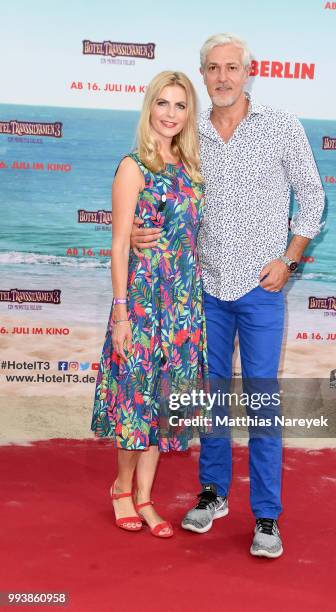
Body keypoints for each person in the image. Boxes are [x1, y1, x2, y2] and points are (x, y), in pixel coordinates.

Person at [131, 33, 325, 557]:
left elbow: (312, 198)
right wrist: (131, 231)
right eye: (212, 68)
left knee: (262, 405)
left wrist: (289, 260)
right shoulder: (189, 134)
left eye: (231, 68)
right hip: (204, 292)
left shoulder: (281, 126)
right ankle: (212, 494)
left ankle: (266, 517)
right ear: (203, 73)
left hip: (261, 290)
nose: (222, 77)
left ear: (248, 72)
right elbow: (155, 191)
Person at [91, 70, 209, 538]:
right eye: (163, 103)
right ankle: (121, 490)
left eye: (180, 106)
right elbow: (120, 246)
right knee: (135, 401)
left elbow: (191, 237)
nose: (170, 114)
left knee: (162, 406)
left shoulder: (191, 167)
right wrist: (121, 314)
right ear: (149, 108)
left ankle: (145, 498)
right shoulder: (132, 166)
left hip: (182, 304)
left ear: (188, 114)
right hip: (140, 305)